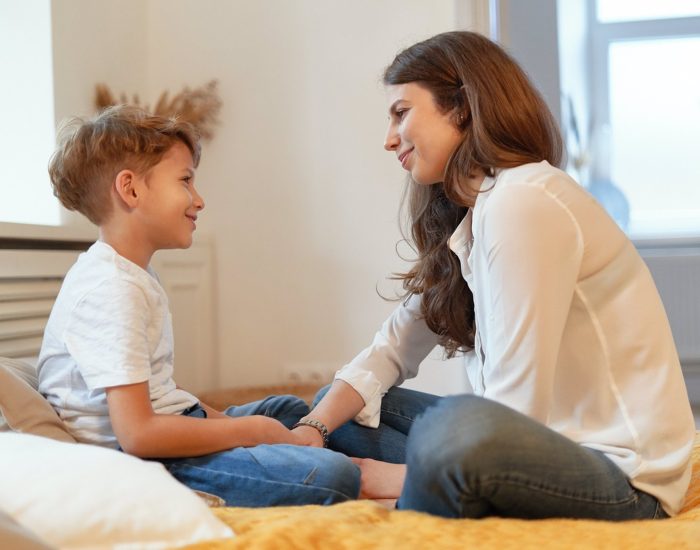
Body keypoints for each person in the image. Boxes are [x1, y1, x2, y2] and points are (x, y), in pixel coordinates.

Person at [290, 31, 696, 520]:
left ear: (461, 107)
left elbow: (512, 411)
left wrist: (398, 476)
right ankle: (304, 449)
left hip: (623, 480)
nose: (388, 138)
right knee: (347, 412)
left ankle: (409, 493)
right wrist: (311, 429)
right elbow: (392, 348)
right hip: (535, 451)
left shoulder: (525, 199)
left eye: (401, 112)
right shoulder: (477, 217)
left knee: (456, 426)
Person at [38, 105, 359, 507]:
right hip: (141, 461)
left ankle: (280, 451)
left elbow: (160, 392)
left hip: (168, 428)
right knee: (332, 475)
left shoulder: (133, 274)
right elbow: (137, 435)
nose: (199, 199)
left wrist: (232, 421)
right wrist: (249, 432)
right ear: (131, 189)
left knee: (288, 408)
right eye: (186, 181)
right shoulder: (110, 289)